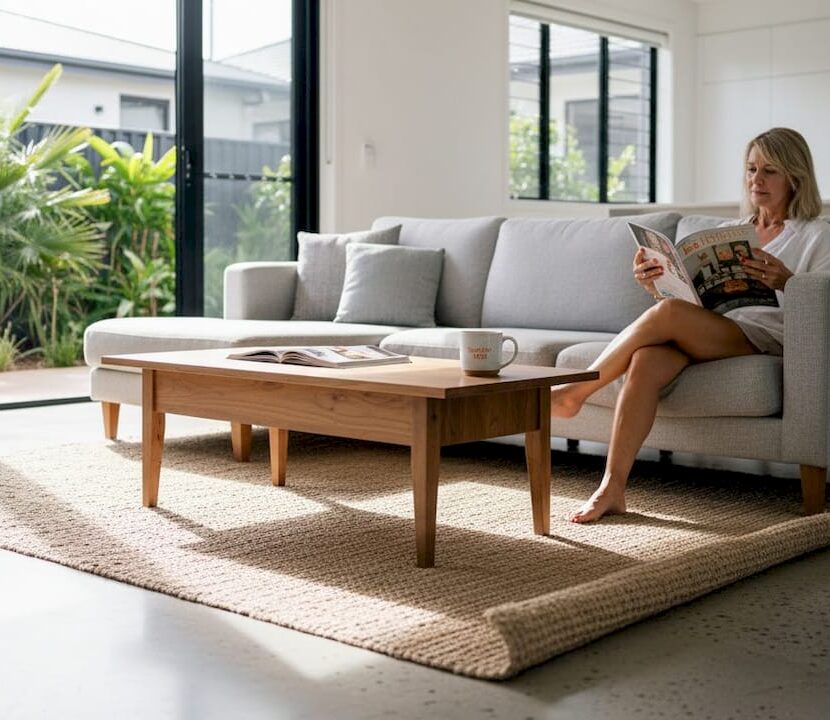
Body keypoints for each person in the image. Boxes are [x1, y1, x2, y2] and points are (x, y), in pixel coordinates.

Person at [551, 127, 830, 523]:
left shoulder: (816, 236)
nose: (757, 180)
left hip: (763, 336)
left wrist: (787, 281)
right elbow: (686, 301)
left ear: (795, 177)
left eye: (769, 171)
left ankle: (576, 390)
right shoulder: (725, 233)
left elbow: (823, 301)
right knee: (646, 360)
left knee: (667, 317)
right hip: (712, 328)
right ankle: (611, 489)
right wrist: (655, 281)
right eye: (751, 169)